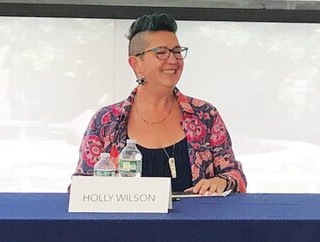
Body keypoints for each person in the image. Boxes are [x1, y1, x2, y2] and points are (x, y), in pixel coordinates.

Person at [75, 12, 246, 194]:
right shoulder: (105, 121)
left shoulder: (205, 115)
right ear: (135, 63)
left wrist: (222, 181)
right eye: (162, 53)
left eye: (177, 52)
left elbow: (234, 174)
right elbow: (80, 189)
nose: (173, 60)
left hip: (195, 222)